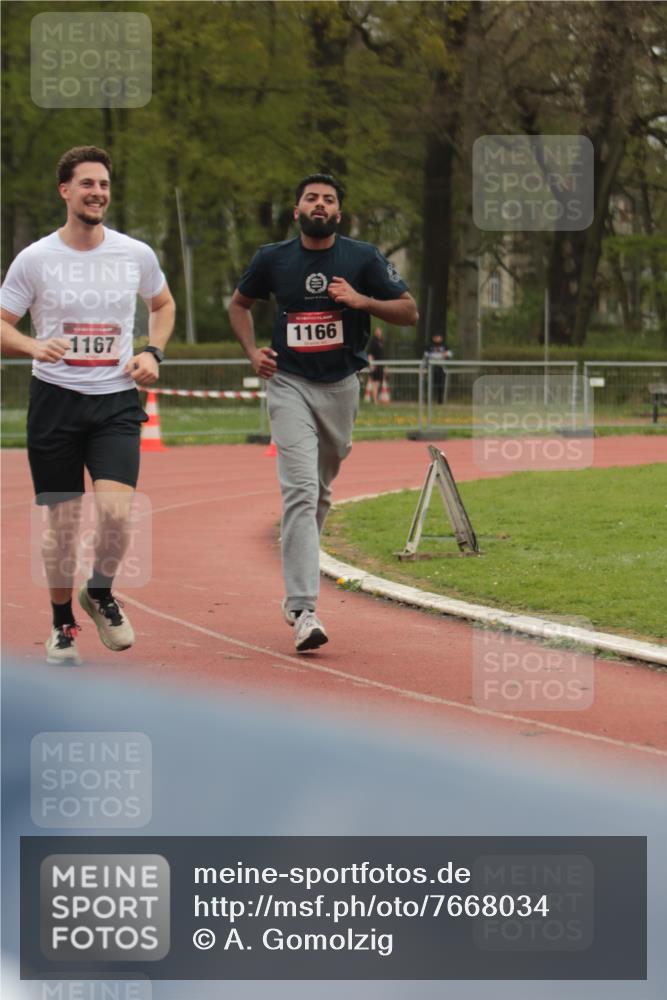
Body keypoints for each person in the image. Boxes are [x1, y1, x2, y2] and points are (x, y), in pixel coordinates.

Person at [0, 146, 175, 665]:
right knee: (61, 527)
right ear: (65, 192)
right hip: (54, 401)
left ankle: (99, 591)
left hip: (115, 401)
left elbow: (162, 306)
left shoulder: (134, 253)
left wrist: (152, 351)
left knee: (119, 515)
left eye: (103, 184)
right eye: (86, 184)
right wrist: (33, 346)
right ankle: (62, 627)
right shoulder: (35, 259)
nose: (97, 192)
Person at [228, 173, 418, 652]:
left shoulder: (362, 257)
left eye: (328, 199)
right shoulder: (272, 258)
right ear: (296, 211)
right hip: (288, 383)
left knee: (322, 491)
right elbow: (239, 305)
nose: (319, 204)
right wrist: (253, 353)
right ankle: (302, 607)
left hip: (341, 387)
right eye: (311, 198)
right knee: (301, 488)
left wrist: (361, 301)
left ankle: (301, 576)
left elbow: (409, 310)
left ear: (338, 213)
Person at [424, 333, 451, 405]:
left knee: (441, 384)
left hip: (441, 367)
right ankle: (429, 399)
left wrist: (435, 355)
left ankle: (440, 400)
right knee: (430, 383)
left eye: (438, 337)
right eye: (436, 337)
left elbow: (449, 354)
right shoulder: (429, 346)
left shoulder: (445, 346)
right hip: (431, 368)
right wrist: (441, 355)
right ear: (433, 338)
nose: (437, 339)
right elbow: (426, 356)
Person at [367, 326, 385, 404]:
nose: (379, 332)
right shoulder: (373, 342)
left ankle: (376, 399)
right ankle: (374, 400)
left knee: (378, 382)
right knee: (375, 382)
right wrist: (371, 365)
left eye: (380, 331)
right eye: (377, 331)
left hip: (380, 365)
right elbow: (370, 354)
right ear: (375, 332)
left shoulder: (380, 342)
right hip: (375, 365)